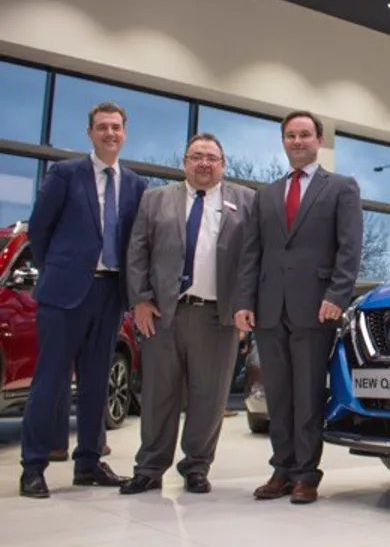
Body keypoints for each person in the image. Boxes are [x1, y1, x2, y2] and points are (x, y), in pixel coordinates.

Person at [20, 101, 146, 498]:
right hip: (64, 294)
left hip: (110, 293)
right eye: (102, 127)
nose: (110, 133)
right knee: (50, 382)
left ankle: (88, 462)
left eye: (116, 127)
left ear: (125, 133)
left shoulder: (137, 184)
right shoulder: (65, 174)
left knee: (97, 383)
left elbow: (133, 243)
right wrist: (61, 270)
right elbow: (40, 230)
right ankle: (33, 466)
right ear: (90, 133)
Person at [235, 111, 362, 505]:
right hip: (269, 308)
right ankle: (281, 470)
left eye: (304, 134)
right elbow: (251, 253)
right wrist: (244, 301)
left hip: (316, 307)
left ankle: (306, 474)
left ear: (318, 140)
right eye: (290, 135)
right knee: (278, 395)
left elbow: (349, 248)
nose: (297, 141)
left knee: (307, 395)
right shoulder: (266, 195)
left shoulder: (341, 187)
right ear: (283, 141)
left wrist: (337, 295)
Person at [120, 133, 254, 495]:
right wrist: (141, 300)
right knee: (157, 395)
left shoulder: (246, 202)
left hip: (218, 317)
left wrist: (246, 307)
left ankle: (196, 466)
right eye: (197, 157)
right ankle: (149, 468)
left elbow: (252, 261)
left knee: (209, 398)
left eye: (212, 157)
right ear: (184, 163)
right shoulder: (155, 200)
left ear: (223, 164)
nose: (204, 163)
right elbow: (137, 252)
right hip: (164, 314)